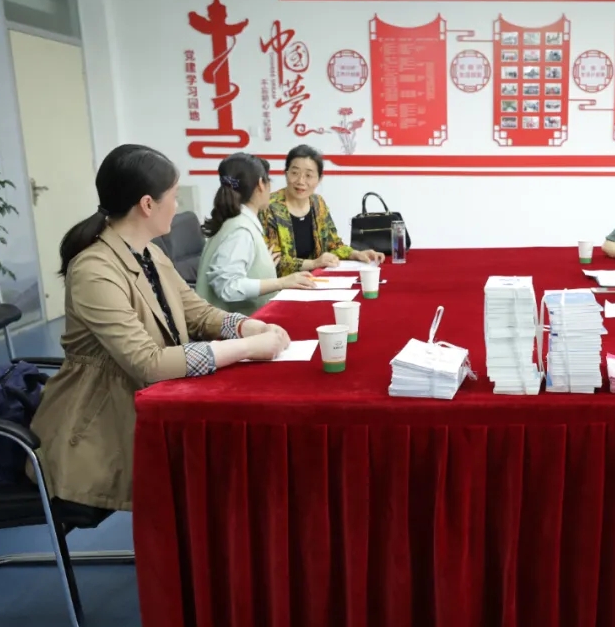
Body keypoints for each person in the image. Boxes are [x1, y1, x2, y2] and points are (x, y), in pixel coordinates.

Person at [30, 144, 291, 511]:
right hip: (101, 430)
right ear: (147, 204)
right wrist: (246, 348)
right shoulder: (94, 270)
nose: (177, 205)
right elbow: (148, 362)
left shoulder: (149, 252)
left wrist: (247, 326)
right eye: (173, 196)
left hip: (150, 405)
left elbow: (198, 313)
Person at [196, 153, 318, 313]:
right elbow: (227, 287)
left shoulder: (235, 220)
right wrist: (282, 282)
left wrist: (261, 267)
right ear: (261, 184)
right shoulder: (241, 230)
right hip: (230, 325)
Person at [260, 145, 384, 275]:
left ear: (319, 179)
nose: (301, 181)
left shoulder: (318, 203)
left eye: (308, 175)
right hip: (282, 283)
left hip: (316, 280)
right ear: (286, 174)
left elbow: (333, 244)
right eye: (295, 173)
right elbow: (272, 260)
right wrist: (314, 263)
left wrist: (356, 254)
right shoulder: (268, 206)